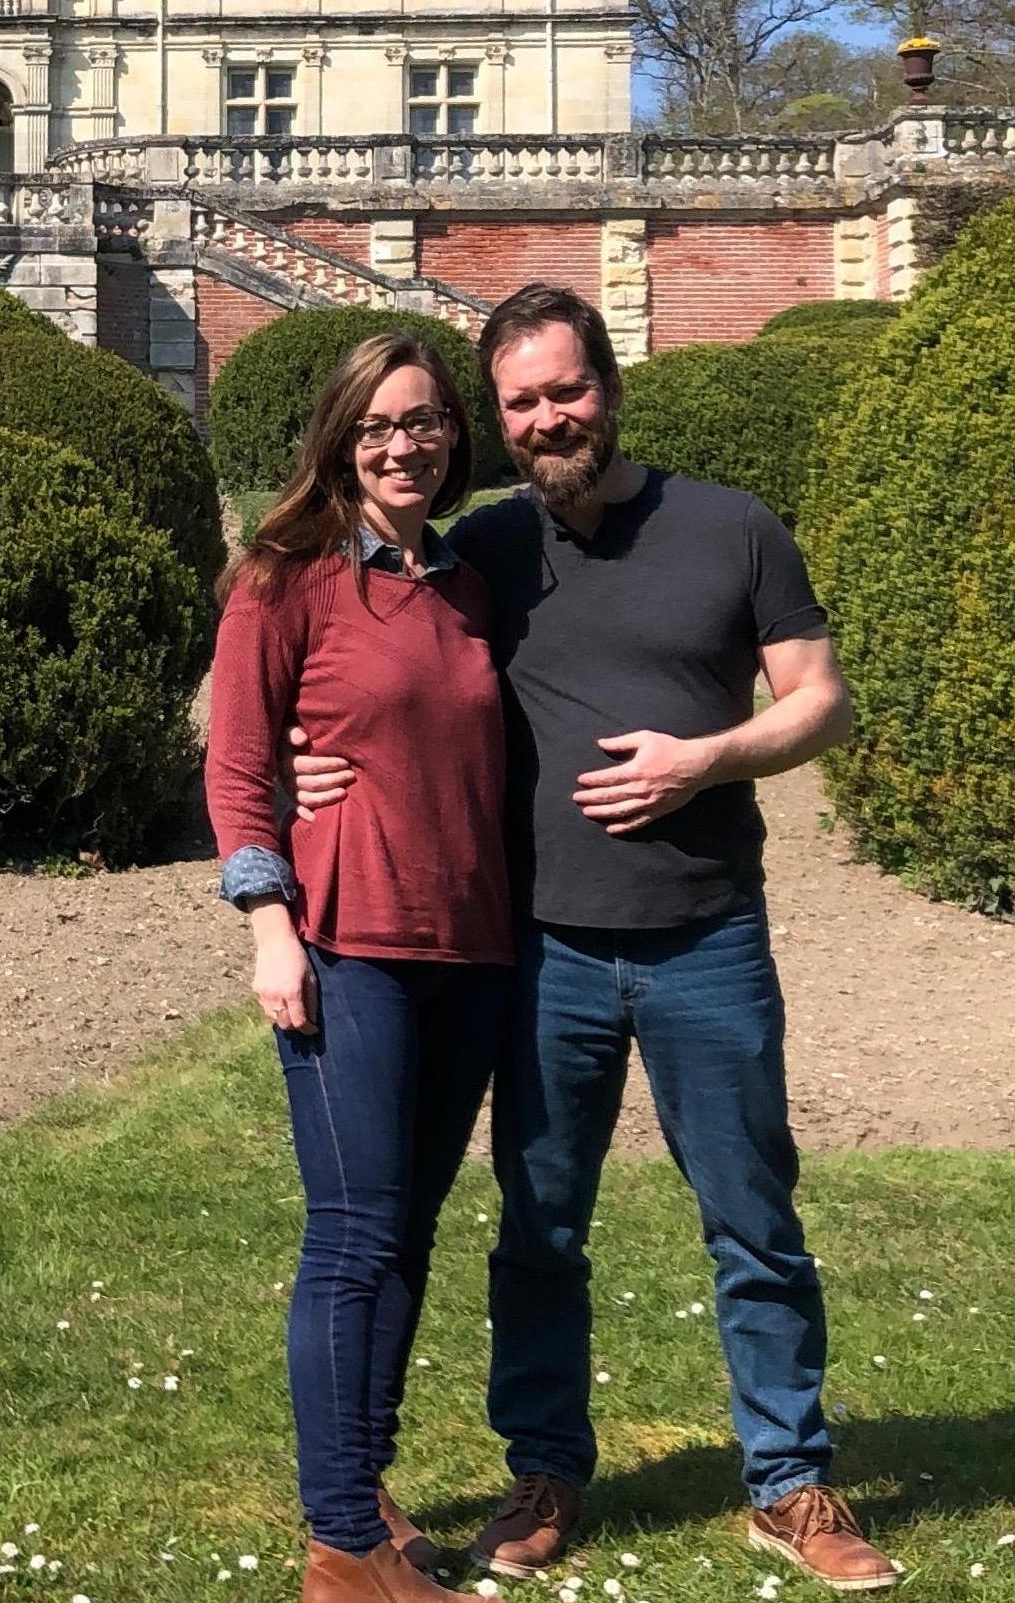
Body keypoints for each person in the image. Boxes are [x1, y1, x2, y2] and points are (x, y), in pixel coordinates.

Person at [290, 283, 899, 1592]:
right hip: (545, 947)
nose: (547, 416)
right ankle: (545, 1472)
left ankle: (789, 1483)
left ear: (609, 386)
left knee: (752, 1220)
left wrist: (707, 758)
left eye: (566, 389)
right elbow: (351, 645)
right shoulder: (489, 549)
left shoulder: (730, 530)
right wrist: (296, 755)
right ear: (497, 419)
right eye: (520, 401)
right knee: (540, 1228)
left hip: (706, 936)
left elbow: (823, 704)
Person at [206, 333, 515, 1603]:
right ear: (340, 438)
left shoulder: (465, 580)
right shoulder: (283, 577)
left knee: (408, 1231)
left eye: (428, 421)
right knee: (352, 1233)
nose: (405, 444)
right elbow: (233, 766)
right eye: (381, 424)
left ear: (454, 439)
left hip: (471, 945)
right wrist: (268, 922)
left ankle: (368, 1495)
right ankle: (340, 1544)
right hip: (347, 941)